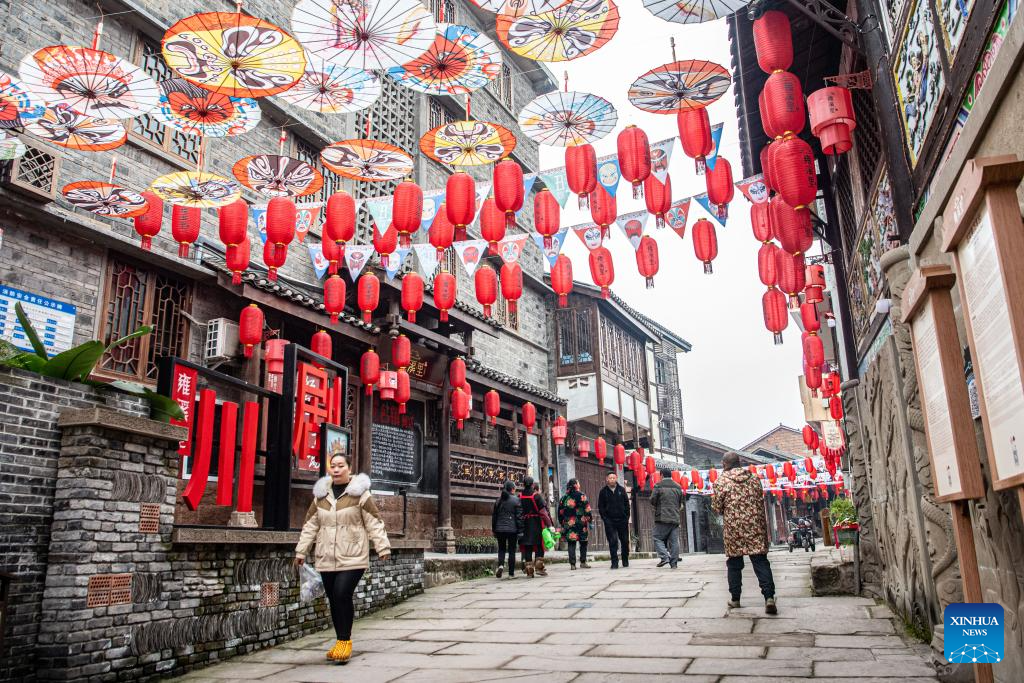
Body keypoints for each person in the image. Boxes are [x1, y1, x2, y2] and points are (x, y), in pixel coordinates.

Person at [295, 453, 391, 663]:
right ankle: (339, 641)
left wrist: (382, 547)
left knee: (341, 593)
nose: (336, 469)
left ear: (349, 468)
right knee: (333, 597)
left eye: (340, 466)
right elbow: (311, 525)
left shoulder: (360, 495)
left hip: (353, 555)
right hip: (326, 556)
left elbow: (374, 522)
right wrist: (301, 551)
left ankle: (345, 641)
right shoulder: (321, 496)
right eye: (333, 466)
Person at [711, 452, 778, 614]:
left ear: (725, 464)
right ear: (739, 463)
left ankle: (735, 599)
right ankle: (769, 597)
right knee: (760, 561)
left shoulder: (721, 481)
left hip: (734, 528)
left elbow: (717, 508)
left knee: (734, 564)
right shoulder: (754, 479)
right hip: (755, 525)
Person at [650, 467, 684, 569]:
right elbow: (681, 502)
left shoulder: (658, 486)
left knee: (657, 537)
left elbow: (653, 500)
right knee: (674, 541)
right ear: (671, 475)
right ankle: (674, 563)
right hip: (675, 517)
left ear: (661, 475)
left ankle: (664, 557)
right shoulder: (678, 487)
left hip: (662, 517)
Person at [519, 477, 552, 577]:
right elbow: (543, 512)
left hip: (524, 524)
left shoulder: (519, 496)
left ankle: (529, 570)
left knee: (527, 546)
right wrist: (549, 524)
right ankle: (539, 567)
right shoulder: (536, 496)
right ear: (532, 484)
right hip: (536, 523)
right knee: (539, 545)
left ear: (523, 484)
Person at [557, 479, 593, 570]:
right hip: (581, 522)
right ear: (576, 485)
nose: (579, 484)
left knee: (571, 543)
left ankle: (572, 564)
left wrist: (562, 522)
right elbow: (587, 509)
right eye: (578, 482)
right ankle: (583, 562)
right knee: (583, 542)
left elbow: (560, 511)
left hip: (569, 523)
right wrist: (590, 520)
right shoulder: (581, 495)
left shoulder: (564, 497)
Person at [597, 472, 630, 569]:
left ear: (616, 479)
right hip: (610, 521)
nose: (612, 479)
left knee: (624, 541)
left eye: (613, 478)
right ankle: (614, 562)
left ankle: (625, 559)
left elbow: (627, 505)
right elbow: (601, 506)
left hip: (622, 520)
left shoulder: (621, 490)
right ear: (607, 479)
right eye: (610, 478)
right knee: (612, 541)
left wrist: (626, 517)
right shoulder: (603, 491)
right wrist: (605, 518)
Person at [491, 480, 523, 578]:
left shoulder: (498, 500)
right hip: (512, 530)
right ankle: (511, 574)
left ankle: (500, 565)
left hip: (499, 529)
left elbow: (494, 517)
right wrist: (521, 530)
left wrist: (494, 529)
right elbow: (519, 517)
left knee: (501, 549)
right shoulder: (516, 500)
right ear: (512, 489)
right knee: (512, 551)